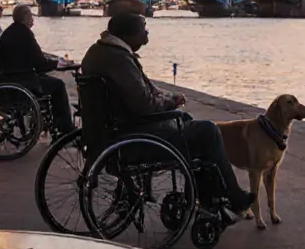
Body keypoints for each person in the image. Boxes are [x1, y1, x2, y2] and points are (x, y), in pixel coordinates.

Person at [80, 12, 255, 217]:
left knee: (189, 124)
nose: (147, 34)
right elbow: (144, 104)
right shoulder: (119, 59)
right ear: (129, 34)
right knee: (209, 131)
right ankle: (232, 196)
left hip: (113, 129)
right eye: (143, 30)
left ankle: (210, 198)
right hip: (134, 136)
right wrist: (171, 102)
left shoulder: (99, 51)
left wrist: (168, 99)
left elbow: (140, 93)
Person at [0, 5, 73, 136]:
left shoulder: (9, 32)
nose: (33, 20)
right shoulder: (25, 34)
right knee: (58, 85)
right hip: (24, 81)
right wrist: (58, 64)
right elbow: (40, 63)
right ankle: (64, 126)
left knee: (46, 79)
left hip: (10, 77)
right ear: (25, 17)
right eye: (31, 16)